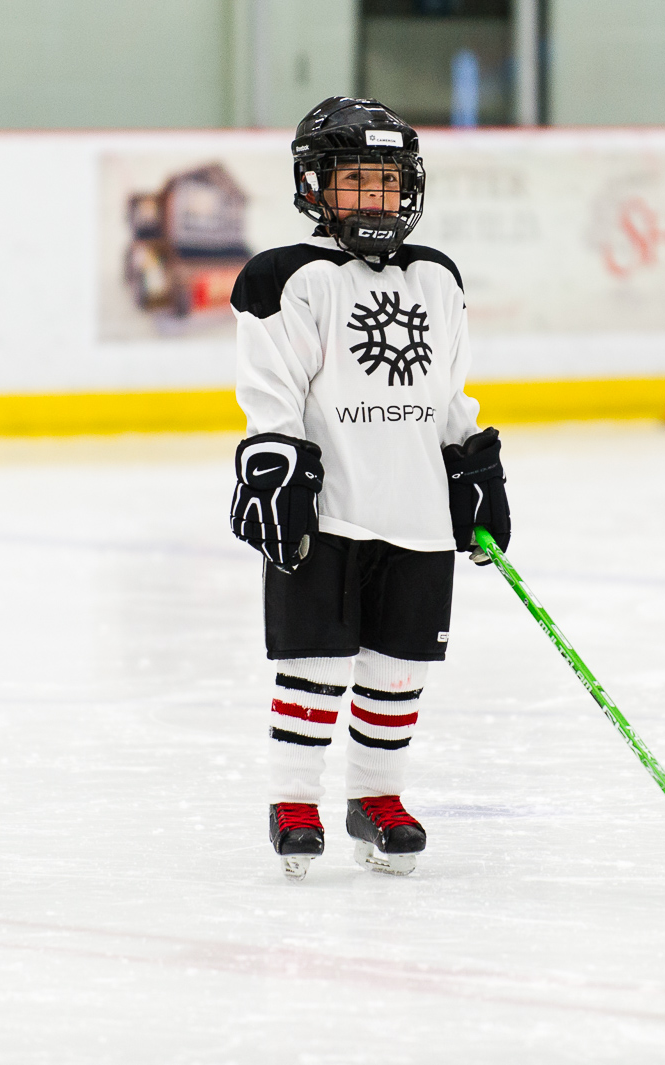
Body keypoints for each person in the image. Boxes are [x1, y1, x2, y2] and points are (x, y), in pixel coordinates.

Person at [229, 98, 511, 880]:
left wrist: (471, 467)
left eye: (387, 181)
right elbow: (272, 392)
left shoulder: (438, 277)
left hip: (416, 510)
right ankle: (294, 800)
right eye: (356, 180)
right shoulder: (288, 277)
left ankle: (377, 797)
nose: (375, 197)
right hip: (329, 510)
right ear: (315, 185)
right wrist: (274, 463)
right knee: (316, 661)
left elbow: (449, 392)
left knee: (399, 666)